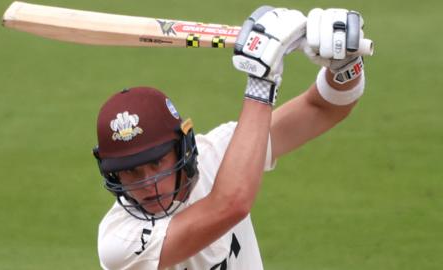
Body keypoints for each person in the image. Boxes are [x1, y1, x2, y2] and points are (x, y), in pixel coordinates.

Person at [93, 6, 371, 270]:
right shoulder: (119, 241)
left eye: (156, 163)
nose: (147, 183)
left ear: (183, 148)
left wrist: (344, 68)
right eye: (131, 171)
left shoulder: (219, 154)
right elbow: (229, 205)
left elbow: (322, 108)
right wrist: (261, 82)